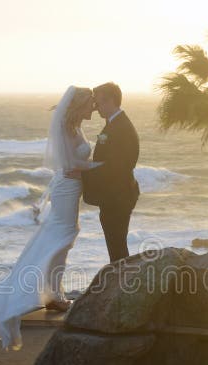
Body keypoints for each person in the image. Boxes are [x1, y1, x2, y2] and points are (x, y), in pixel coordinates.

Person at [0, 86, 100, 351]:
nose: (94, 108)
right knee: (63, 236)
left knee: (62, 237)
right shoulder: (65, 127)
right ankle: (50, 295)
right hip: (67, 187)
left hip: (71, 187)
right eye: (91, 103)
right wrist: (103, 167)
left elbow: (76, 161)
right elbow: (71, 165)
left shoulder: (74, 126)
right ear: (79, 105)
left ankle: (54, 294)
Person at [74, 82, 140, 263]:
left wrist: (82, 171)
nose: (95, 108)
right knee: (115, 245)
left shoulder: (121, 128)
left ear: (111, 100)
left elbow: (117, 167)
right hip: (113, 196)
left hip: (118, 197)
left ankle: (124, 285)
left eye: (98, 103)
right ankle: (122, 283)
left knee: (117, 246)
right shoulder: (113, 124)